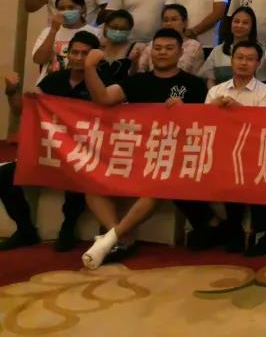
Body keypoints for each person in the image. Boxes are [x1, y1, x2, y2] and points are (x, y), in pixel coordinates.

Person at [80, 28, 219, 269]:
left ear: (180, 52)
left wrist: (185, 112)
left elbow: (205, 125)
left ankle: (111, 239)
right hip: (133, 154)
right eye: (158, 48)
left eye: (169, 48)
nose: (162, 53)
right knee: (91, 182)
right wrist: (89, 68)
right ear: (150, 51)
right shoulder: (137, 81)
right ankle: (118, 237)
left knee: (157, 185)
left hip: (169, 158)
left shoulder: (194, 85)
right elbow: (103, 98)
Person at [1, 31, 105, 252]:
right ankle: (25, 230)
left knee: (79, 172)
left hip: (84, 153)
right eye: (74, 52)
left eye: (85, 54)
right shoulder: (54, 79)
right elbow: (22, 110)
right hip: (50, 152)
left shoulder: (102, 82)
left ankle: (68, 227)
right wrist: (12, 92)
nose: (78, 58)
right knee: (3, 175)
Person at [205, 41, 266, 256]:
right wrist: (212, 109)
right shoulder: (216, 91)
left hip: (254, 150)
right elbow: (204, 122)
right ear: (231, 61)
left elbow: (263, 124)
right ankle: (235, 232)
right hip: (222, 150)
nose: (243, 63)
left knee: (251, 173)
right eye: (239, 58)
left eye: (250, 59)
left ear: (258, 64)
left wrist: (237, 109)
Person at [31, 0, 100, 80]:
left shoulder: (96, 33)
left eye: (71, 8)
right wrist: (53, 31)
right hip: (49, 82)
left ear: (83, 9)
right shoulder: (48, 31)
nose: (66, 11)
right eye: (62, 9)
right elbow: (39, 59)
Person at [131, 4, 205, 76]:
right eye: (165, 20)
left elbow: (198, 77)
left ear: (185, 22)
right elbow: (138, 74)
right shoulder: (152, 44)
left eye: (174, 19)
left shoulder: (194, 46)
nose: (169, 24)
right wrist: (134, 63)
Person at [201, 7, 260, 86]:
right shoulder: (218, 50)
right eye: (236, 21)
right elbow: (210, 79)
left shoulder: (259, 51)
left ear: (252, 26)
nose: (239, 25)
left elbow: (263, 80)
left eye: (245, 23)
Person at [95, 10, 137, 83]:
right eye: (114, 27)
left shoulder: (134, 49)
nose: (118, 31)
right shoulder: (97, 46)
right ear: (106, 26)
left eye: (123, 29)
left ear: (130, 29)